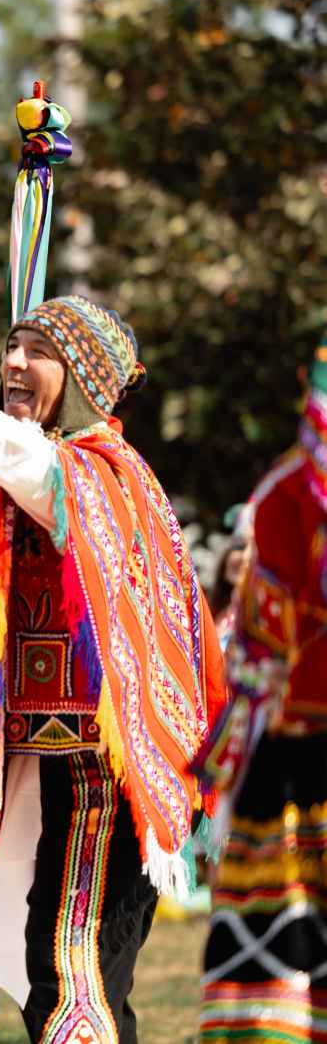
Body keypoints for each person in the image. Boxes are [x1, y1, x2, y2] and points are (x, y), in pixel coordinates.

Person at [0, 296, 226, 1043]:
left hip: (98, 775)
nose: (12, 363)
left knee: (71, 983)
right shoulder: (44, 473)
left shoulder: (101, 474)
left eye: (38, 351)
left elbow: (43, 475)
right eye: (12, 346)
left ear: (87, 378)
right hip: (42, 763)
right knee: (51, 978)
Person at [195, 340, 327, 1043]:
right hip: (293, 774)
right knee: (276, 992)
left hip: (289, 773)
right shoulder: (279, 500)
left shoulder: (281, 493)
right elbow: (254, 666)